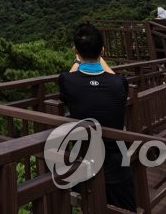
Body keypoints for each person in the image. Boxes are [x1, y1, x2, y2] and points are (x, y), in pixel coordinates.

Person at [57, 23, 137, 212]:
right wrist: (98, 58)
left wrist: (78, 61)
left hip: (83, 160)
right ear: (103, 50)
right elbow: (113, 76)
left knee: (87, 206)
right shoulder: (119, 83)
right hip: (117, 162)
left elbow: (71, 77)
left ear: (75, 50)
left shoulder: (67, 80)